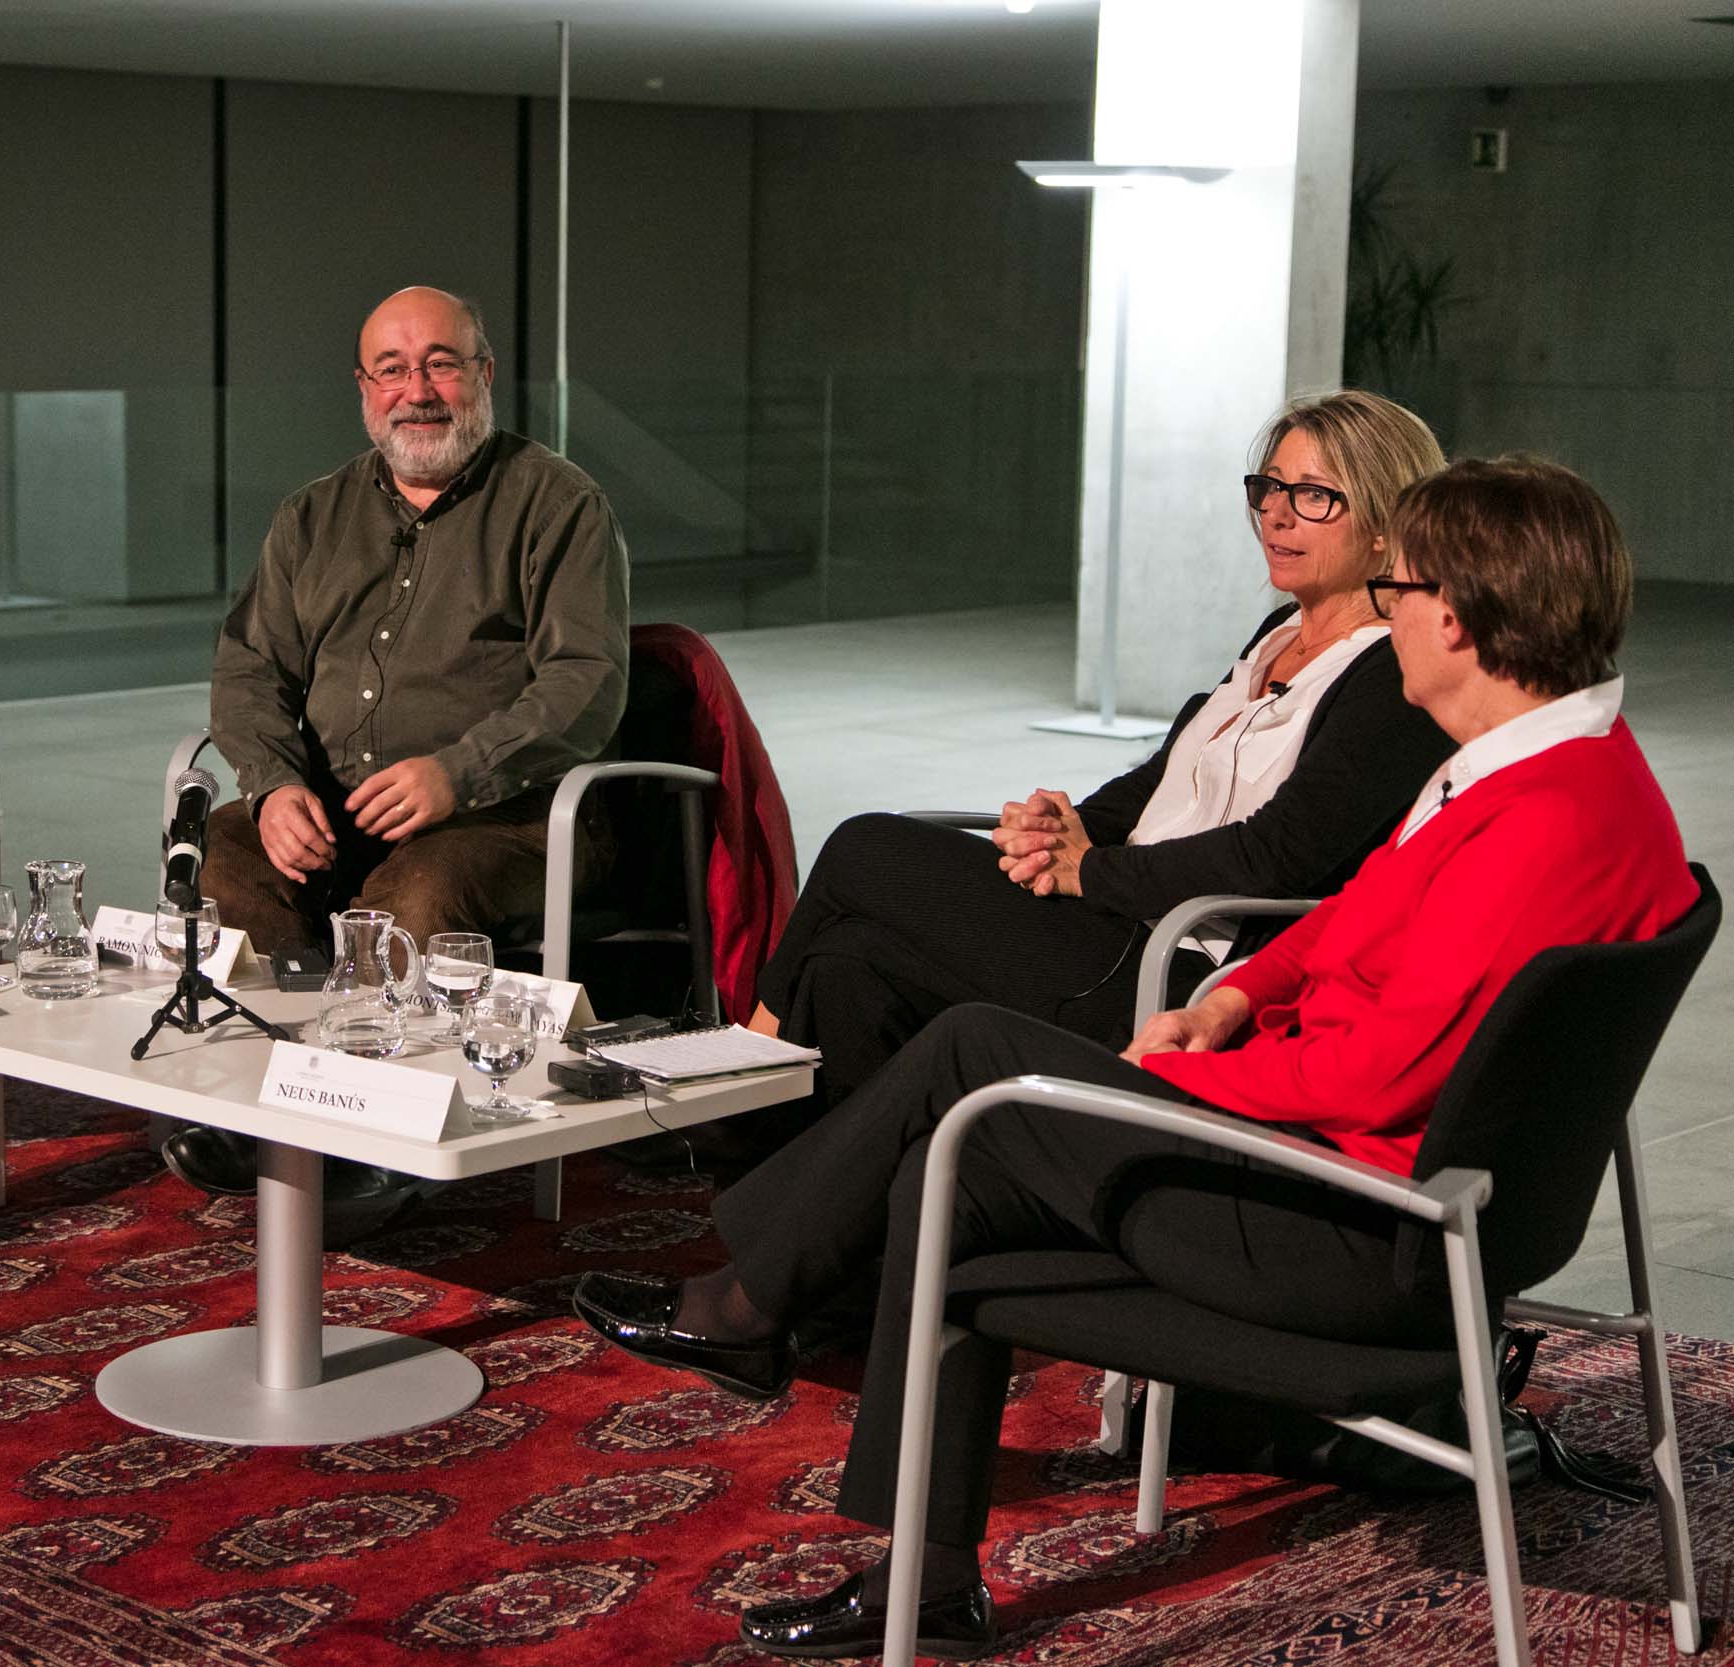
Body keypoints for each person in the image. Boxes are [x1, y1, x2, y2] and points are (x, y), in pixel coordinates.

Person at [576, 456, 1697, 1660]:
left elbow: (1368, 1079)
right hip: (1371, 1184)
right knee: (959, 1172)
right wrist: (1234, 994)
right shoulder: (1559, 767)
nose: (1387, 612)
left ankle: (750, 1305)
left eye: (1399, 587)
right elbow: (1357, 909)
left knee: (975, 1063)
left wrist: (1166, 1078)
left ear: (1458, 617)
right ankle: (901, 1539)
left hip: (1362, 1230)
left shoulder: (1538, 820)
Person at [745, 391, 1455, 1124]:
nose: (1276, 513)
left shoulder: (1388, 673)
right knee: (848, 962)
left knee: (865, 846)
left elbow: (1275, 856)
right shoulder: (1279, 634)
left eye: (1312, 495)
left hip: (1169, 962)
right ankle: (802, 1174)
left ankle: (731, 1073)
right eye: (1270, 486)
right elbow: (1164, 778)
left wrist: (1090, 870)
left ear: (1384, 524)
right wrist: (1060, 831)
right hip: (1110, 920)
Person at [160, 285, 630, 1215]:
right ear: (364, 389)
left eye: (441, 364)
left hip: (511, 816)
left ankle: (377, 1141)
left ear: (484, 374)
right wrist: (274, 786)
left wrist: (459, 772)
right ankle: (269, 1102)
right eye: (393, 369)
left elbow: (588, 680)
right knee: (222, 855)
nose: (417, 390)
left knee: (418, 892)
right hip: (336, 810)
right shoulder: (311, 516)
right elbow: (250, 667)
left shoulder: (559, 503)